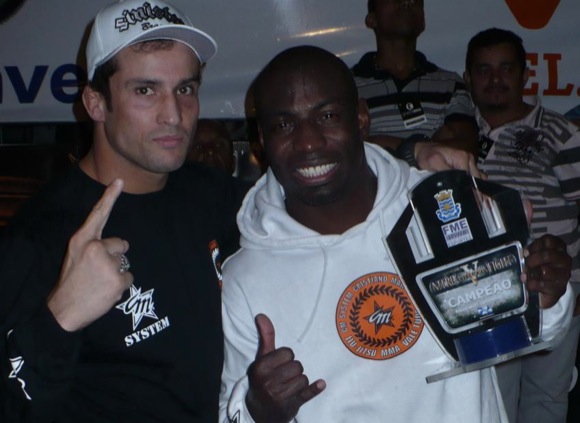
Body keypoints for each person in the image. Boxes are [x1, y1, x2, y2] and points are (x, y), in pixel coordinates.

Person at [219, 45, 573, 422]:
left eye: (327, 116)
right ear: (261, 139)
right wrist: (255, 411)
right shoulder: (247, 276)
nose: (308, 141)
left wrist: (546, 294)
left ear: (361, 119)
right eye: (284, 125)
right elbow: (231, 414)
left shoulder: (440, 205)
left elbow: (529, 330)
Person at [0, 0, 247, 421]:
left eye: (184, 89)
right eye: (145, 90)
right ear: (96, 103)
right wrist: (60, 317)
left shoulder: (212, 193)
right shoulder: (40, 237)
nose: (174, 115)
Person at [463, 27, 580, 423]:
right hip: (484, 301)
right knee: (490, 406)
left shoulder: (562, 134)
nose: (495, 79)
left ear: (525, 74)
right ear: (467, 78)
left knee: (545, 404)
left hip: (555, 294)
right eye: (484, 70)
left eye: (506, 68)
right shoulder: (458, 137)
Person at [352, 0, 479, 157]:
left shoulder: (450, 83)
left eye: (416, 1)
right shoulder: (347, 86)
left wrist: (379, 143)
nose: (407, 2)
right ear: (372, 19)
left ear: (423, 21)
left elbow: (467, 149)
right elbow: (349, 149)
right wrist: (432, 146)